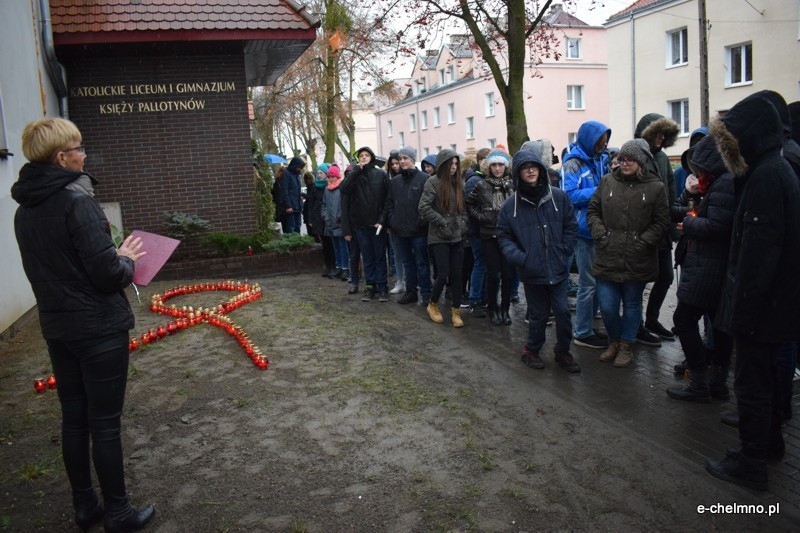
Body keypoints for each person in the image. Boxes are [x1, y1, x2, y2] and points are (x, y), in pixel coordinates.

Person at [11, 118, 155, 532]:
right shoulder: (77, 202)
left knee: (73, 419)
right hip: (97, 330)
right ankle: (119, 513)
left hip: (59, 329)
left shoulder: (25, 211)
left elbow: (57, 267)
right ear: (61, 158)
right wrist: (125, 256)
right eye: (79, 147)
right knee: (105, 424)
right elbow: (108, 275)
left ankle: (85, 507)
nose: (84, 153)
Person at [705, 93, 800, 491]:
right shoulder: (773, 170)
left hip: (763, 309)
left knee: (752, 385)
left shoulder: (766, 177)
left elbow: (758, 258)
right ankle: (768, 446)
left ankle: (751, 462)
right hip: (776, 305)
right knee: (766, 382)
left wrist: (741, 315)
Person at [586, 139, 670, 368]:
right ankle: (613, 341)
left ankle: (626, 345)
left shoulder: (655, 187)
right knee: (608, 305)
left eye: (630, 159)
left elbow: (662, 222)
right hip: (608, 254)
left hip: (638, 258)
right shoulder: (607, 182)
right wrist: (601, 234)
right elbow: (593, 211)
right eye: (622, 158)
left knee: (632, 304)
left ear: (641, 161)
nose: (625, 163)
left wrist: (643, 242)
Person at [497, 150, 579, 373]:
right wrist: (523, 259)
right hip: (532, 272)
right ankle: (531, 350)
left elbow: (571, 227)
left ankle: (563, 351)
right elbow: (504, 238)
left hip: (558, 267)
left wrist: (563, 252)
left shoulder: (558, 197)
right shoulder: (510, 207)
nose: (531, 170)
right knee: (539, 315)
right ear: (518, 173)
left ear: (541, 170)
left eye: (534, 166)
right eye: (525, 168)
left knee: (562, 312)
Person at [666, 136, 735, 403]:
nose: (695, 173)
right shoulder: (717, 184)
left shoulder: (722, 186)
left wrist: (690, 223)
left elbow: (717, 226)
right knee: (719, 326)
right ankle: (717, 383)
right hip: (710, 267)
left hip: (708, 267)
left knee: (683, 320)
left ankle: (699, 382)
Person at [561, 121, 612, 350]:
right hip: (583, 231)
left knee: (597, 283)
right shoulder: (573, 163)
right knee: (587, 284)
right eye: (600, 140)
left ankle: (589, 328)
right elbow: (569, 195)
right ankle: (582, 332)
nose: (603, 145)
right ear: (590, 139)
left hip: (601, 228)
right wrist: (601, 189)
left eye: (605, 140)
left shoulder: (601, 158)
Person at [634, 113, 680, 345]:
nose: (661, 139)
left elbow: (670, 189)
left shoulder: (662, 158)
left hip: (663, 228)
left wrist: (673, 219)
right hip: (644, 229)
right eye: (658, 134)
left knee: (666, 277)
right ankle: (637, 326)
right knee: (640, 281)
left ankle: (652, 319)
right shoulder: (637, 157)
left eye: (665, 134)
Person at [419, 149, 468, 327]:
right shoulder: (433, 182)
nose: (454, 167)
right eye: (451, 164)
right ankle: (433, 304)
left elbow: (464, 208)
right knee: (443, 273)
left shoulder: (459, 182)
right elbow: (423, 207)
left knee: (457, 274)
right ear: (443, 164)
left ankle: (456, 311)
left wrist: (463, 225)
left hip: (457, 235)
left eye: (456, 164)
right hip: (439, 236)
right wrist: (442, 221)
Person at [467, 145, 514, 325]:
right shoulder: (481, 184)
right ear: (489, 166)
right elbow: (469, 204)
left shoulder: (512, 184)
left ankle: (505, 309)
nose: (497, 168)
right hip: (488, 234)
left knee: (508, 274)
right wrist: (481, 217)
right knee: (493, 273)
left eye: (500, 165)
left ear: (505, 166)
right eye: (494, 165)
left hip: (508, 235)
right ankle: (493, 309)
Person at [341, 147, 391, 302]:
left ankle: (382, 287)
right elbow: (343, 189)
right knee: (367, 257)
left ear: (372, 157)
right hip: (360, 224)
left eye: (366, 155)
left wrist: (382, 220)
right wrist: (355, 172)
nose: (363, 158)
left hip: (377, 225)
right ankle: (370, 287)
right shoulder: (354, 175)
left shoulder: (381, 174)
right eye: (361, 156)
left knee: (379, 257)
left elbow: (388, 200)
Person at [385, 147, 432, 305]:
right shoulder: (395, 182)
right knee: (407, 263)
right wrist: (393, 221)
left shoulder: (424, 179)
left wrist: (421, 222)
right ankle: (411, 291)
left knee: (422, 263)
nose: (402, 161)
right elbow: (389, 204)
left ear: (412, 159)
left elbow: (429, 204)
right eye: (400, 158)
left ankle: (426, 294)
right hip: (400, 231)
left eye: (405, 158)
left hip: (419, 231)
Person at [463, 148, 490, 317]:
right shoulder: (474, 181)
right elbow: (470, 206)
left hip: (484, 229)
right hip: (478, 230)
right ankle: (475, 299)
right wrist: (482, 218)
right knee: (480, 264)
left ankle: (483, 297)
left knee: (485, 264)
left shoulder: (481, 179)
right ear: (481, 162)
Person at [321, 164, 350, 280]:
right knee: (335, 246)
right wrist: (325, 216)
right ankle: (338, 266)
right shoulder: (326, 190)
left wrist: (341, 216)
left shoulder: (341, 188)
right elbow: (323, 205)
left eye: (332, 176)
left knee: (343, 246)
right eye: (329, 177)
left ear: (337, 177)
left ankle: (345, 268)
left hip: (339, 222)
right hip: (329, 223)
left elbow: (344, 205)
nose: (330, 179)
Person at [308, 163, 336, 278]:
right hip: (318, 218)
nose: (319, 175)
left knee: (331, 243)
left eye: (321, 173)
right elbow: (310, 204)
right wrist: (310, 219)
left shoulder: (329, 186)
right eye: (318, 173)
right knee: (324, 244)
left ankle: (334, 266)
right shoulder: (314, 187)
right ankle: (328, 265)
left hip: (328, 219)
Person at [277, 157, 305, 233]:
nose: (300, 169)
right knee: (291, 228)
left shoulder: (296, 175)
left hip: (297, 206)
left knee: (297, 227)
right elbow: (284, 191)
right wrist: (288, 206)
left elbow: (297, 191)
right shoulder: (286, 174)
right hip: (291, 208)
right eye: (299, 167)